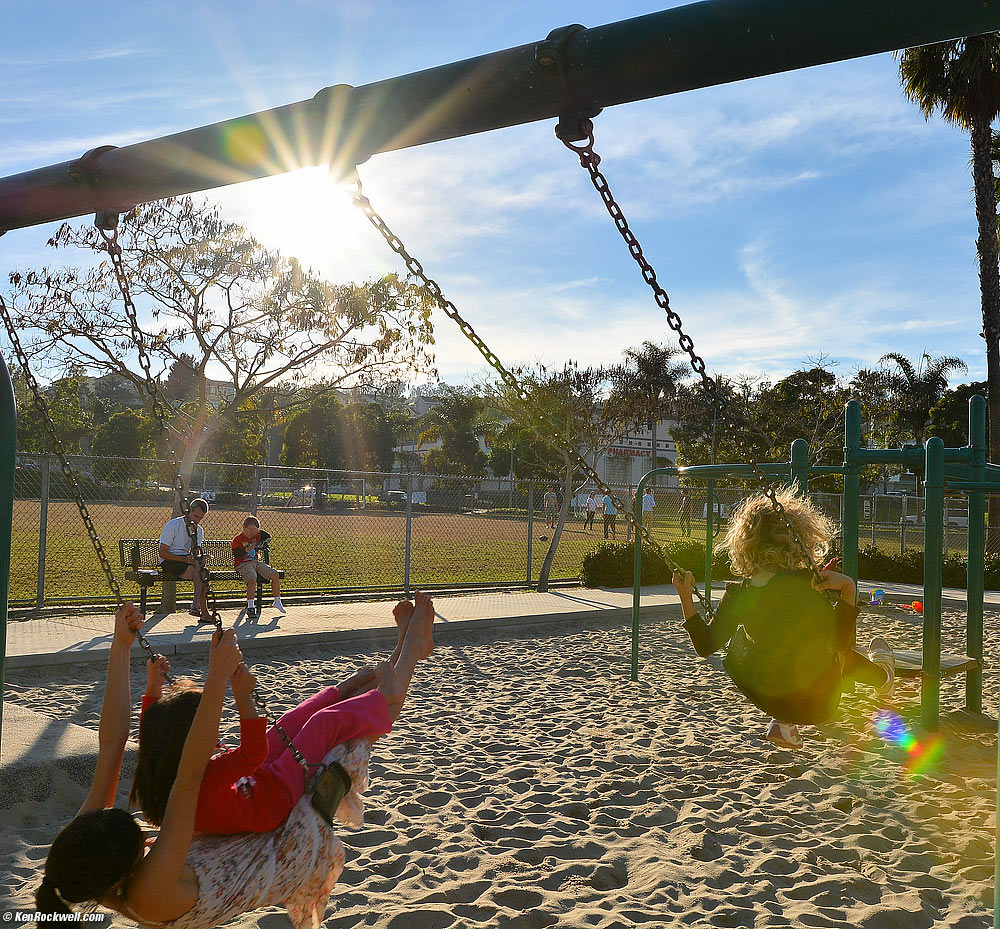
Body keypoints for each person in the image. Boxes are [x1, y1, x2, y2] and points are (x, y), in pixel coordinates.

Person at [36, 594, 436, 927]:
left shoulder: (82, 856)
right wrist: (217, 678)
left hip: (243, 818)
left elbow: (112, 745)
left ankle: (402, 651)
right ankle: (412, 653)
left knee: (301, 724)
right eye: (143, 841)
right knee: (341, 746)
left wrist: (120, 646)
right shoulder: (148, 893)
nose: (146, 834)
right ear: (121, 875)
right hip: (283, 852)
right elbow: (190, 774)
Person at [131, 600, 413, 834]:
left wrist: (153, 686)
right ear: (186, 741)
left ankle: (345, 688)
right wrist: (242, 696)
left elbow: (150, 728)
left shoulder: (162, 767)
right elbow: (252, 753)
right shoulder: (203, 777)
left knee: (289, 721)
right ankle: (383, 696)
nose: (214, 732)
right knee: (321, 724)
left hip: (251, 783)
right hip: (273, 797)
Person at [670, 488, 895, 750]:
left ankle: (783, 723)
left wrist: (686, 597)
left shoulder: (740, 594)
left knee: (766, 642)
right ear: (799, 539)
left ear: (745, 544)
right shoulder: (804, 589)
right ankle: (884, 678)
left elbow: (704, 645)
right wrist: (848, 589)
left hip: (766, 696)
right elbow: (840, 642)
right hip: (817, 704)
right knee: (832, 653)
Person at [158, 498, 212, 623]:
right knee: (201, 572)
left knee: (202, 571)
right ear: (188, 512)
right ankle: (200, 609)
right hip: (170, 561)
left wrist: (200, 557)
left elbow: (195, 552)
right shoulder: (173, 525)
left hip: (186, 562)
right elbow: (163, 553)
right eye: (195, 516)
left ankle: (198, 608)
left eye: (201, 518)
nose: (197, 520)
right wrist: (183, 559)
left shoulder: (199, 531)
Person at [232, 516, 285, 620]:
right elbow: (236, 555)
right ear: (244, 527)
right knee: (252, 578)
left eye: (254, 530)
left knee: (274, 574)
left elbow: (268, 536)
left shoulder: (257, 536)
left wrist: (258, 531)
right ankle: (251, 606)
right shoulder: (238, 539)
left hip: (255, 562)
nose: (252, 532)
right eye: (249, 529)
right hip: (243, 564)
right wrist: (246, 550)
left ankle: (277, 601)